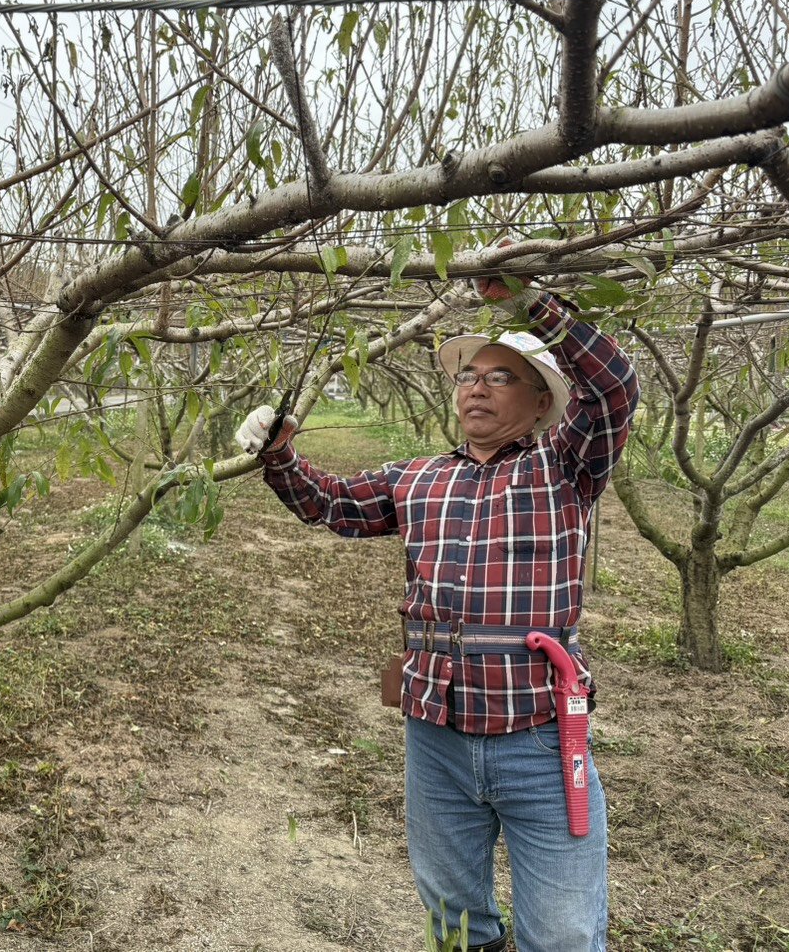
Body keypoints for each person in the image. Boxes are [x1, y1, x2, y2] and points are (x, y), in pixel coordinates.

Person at [236, 273, 638, 952]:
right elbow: (330, 503)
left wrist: (528, 302)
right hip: (435, 733)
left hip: (537, 733)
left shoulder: (565, 466)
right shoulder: (418, 477)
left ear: (543, 401)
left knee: (564, 934)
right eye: (468, 376)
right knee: (454, 919)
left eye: (500, 377)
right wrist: (278, 455)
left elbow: (613, 388)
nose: (477, 387)